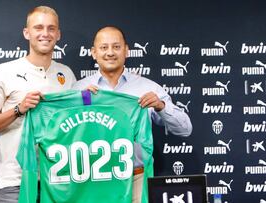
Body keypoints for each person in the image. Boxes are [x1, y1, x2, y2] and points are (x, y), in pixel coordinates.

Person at [72, 26, 192, 203]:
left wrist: (161, 106)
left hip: (136, 180)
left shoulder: (147, 87)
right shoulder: (79, 89)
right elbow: (66, 136)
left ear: (126, 51)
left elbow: (185, 129)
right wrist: (79, 103)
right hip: (92, 182)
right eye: (104, 47)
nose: (110, 53)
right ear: (94, 53)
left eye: (116, 47)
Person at [0, 6, 76, 203]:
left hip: (59, 179)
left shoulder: (67, 73)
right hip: (15, 181)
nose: (45, 34)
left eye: (51, 28)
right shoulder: (4, 72)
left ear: (58, 34)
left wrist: (91, 98)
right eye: (38, 27)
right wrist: (18, 109)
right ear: (27, 33)